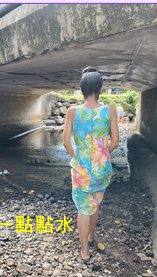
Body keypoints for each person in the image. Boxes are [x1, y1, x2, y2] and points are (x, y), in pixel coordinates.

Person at [63, 67, 119, 264]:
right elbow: (115, 142)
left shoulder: (72, 112)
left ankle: (85, 251)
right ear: (101, 89)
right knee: (95, 202)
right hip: (102, 167)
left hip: (81, 169)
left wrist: (78, 157)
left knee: (83, 207)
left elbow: (66, 142)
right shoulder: (109, 111)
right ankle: (90, 236)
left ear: (81, 90)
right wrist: (101, 156)